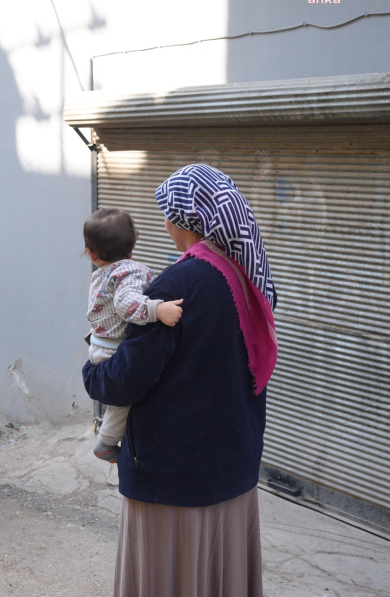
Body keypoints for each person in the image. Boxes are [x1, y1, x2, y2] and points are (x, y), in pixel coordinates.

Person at [82, 164, 277, 597]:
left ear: (185, 219)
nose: (165, 223)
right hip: (231, 464)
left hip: (175, 476)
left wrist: (91, 371)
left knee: (171, 575)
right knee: (218, 575)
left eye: (167, 213)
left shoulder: (177, 283)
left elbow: (123, 381)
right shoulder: (244, 275)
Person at [83, 207, 183, 463]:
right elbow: (125, 305)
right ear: (135, 243)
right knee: (123, 402)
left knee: (119, 401)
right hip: (112, 349)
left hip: (98, 344)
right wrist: (157, 309)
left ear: (91, 254)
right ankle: (105, 443)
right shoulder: (130, 270)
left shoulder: (100, 273)